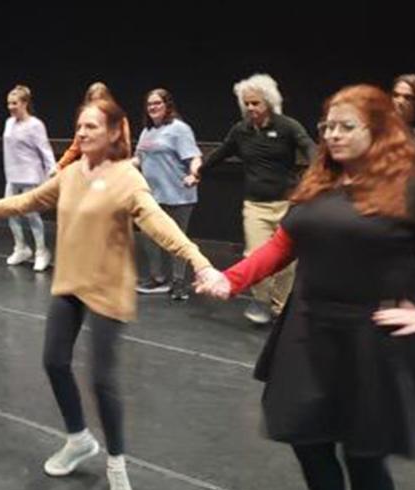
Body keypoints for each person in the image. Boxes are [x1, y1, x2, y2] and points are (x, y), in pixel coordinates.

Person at [196, 85, 415, 490]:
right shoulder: (319, 183)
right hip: (308, 329)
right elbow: (280, 247)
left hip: (370, 339)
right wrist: (230, 280)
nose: (332, 134)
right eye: (327, 125)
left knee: (363, 456)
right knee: (307, 441)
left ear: (378, 131)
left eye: (345, 126)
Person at [0, 97, 222, 490]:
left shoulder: (128, 177)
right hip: (71, 282)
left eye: (92, 126)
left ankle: (117, 465)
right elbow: (24, 202)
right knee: (54, 362)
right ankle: (78, 439)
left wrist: (200, 262)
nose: (83, 132)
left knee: (102, 382)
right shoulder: (70, 174)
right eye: (79, 125)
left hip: (108, 288)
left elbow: (158, 222)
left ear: (113, 132)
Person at [193, 73, 316, 325]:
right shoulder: (241, 131)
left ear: (268, 102)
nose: (250, 108)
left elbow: (311, 150)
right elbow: (222, 153)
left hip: (285, 204)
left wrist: (320, 177)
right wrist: (198, 171)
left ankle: (280, 307)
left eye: (255, 103)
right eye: (246, 103)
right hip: (255, 205)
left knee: (287, 262)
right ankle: (261, 301)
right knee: (254, 255)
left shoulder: (288, 127)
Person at [132, 88, 202, 300]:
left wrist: (194, 174)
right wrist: (120, 167)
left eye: (157, 103)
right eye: (149, 104)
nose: (153, 107)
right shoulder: (147, 132)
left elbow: (195, 157)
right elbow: (139, 159)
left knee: (176, 239)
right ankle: (157, 277)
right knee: (148, 236)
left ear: (167, 106)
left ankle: (179, 282)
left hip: (178, 194)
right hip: (153, 196)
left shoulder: (179, 129)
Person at [1, 84, 55, 271]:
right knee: (9, 212)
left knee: (32, 215)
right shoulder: (9, 123)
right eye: (9, 103)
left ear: (25, 103)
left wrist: (52, 175)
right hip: (12, 176)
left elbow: (46, 151)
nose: (11, 107)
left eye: (14, 103)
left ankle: (42, 251)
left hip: (31, 176)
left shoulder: (35, 125)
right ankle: (21, 248)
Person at [54, 82, 132, 172]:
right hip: (88, 165)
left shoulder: (118, 118)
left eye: (100, 100)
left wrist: (125, 167)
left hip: (112, 164)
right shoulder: (85, 119)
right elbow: (76, 146)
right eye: (93, 100)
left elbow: (126, 145)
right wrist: (60, 164)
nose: (96, 104)